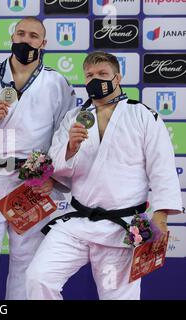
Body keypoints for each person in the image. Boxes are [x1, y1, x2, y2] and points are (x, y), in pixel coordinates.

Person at [25, 51, 182, 300]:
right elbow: (58, 168)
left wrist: (161, 215)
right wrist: (70, 148)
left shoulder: (143, 116)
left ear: (117, 78)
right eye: (90, 75)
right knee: (38, 277)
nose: (95, 79)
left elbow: (161, 168)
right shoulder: (73, 118)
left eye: (102, 74)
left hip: (121, 229)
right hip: (77, 223)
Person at [0, 17, 77, 300]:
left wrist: (52, 177)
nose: (26, 40)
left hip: (31, 185)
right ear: (12, 38)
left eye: (34, 36)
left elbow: (63, 136)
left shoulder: (56, 82)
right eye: (21, 34)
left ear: (43, 44)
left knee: (26, 263)